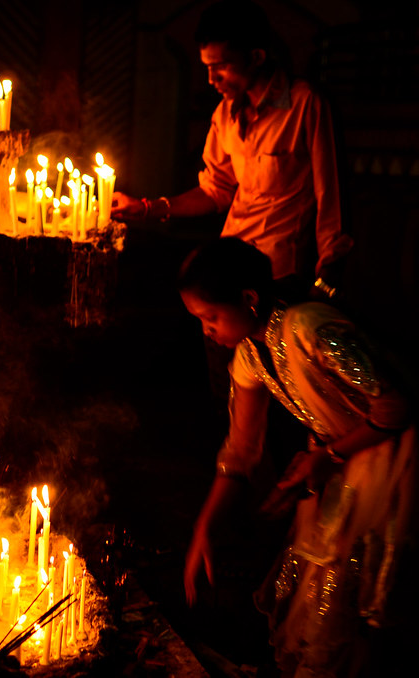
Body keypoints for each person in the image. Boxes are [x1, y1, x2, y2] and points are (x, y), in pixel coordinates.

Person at [178, 237, 415, 677]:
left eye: (210, 316)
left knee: (368, 604)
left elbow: (396, 406)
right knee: (327, 600)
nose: (206, 330)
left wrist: (329, 455)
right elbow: (241, 450)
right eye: (199, 320)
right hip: (340, 463)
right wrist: (204, 527)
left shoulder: (309, 327)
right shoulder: (250, 354)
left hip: (392, 463)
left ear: (248, 298)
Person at [113, 0, 353, 299]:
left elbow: (332, 198)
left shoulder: (306, 105)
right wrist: (147, 208)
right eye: (207, 68)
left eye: (221, 67)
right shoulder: (225, 114)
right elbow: (216, 190)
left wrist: (327, 278)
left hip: (280, 275)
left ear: (256, 57)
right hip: (228, 266)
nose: (211, 80)